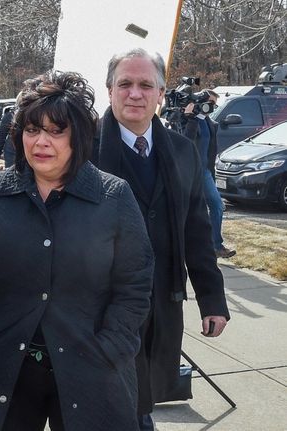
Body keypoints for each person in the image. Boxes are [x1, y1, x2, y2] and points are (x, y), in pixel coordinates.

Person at [0, 70, 154, 431]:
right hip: (2, 367)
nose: (41, 141)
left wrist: (111, 348)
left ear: (78, 137)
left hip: (91, 369)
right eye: (32, 130)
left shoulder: (113, 196)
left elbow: (134, 284)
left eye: (56, 131)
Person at [93, 48, 231, 430]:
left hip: (161, 304)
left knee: (142, 400)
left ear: (161, 94)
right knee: (113, 404)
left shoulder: (183, 151)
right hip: (99, 309)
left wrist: (212, 299)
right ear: (109, 91)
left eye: (145, 85)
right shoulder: (82, 149)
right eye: (125, 84)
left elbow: (197, 231)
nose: (134, 93)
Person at [182, 89, 237, 259]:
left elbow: (211, 150)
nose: (211, 107)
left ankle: (216, 246)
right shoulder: (186, 118)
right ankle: (183, 246)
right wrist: (192, 118)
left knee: (217, 205)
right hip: (188, 171)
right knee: (186, 210)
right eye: (209, 103)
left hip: (204, 171)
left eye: (214, 104)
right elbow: (185, 141)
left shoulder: (211, 124)